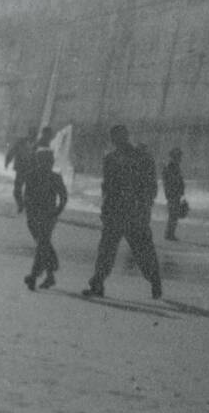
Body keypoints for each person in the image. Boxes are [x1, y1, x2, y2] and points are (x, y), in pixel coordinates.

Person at [83, 125, 162, 300]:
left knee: (136, 250)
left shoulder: (137, 158)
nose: (116, 141)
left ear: (125, 136)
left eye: (119, 137)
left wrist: (144, 207)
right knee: (110, 250)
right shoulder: (115, 159)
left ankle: (154, 281)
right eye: (115, 137)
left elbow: (150, 187)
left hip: (129, 212)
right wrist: (106, 209)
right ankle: (98, 282)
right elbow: (108, 188)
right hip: (121, 212)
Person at [15, 129, 68, 288]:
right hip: (34, 215)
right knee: (43, 244)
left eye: (48, 161)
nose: (46, 163)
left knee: (41, 245)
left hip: (47, 216)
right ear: (38, 161)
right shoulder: (32, 175)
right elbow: (25, 194)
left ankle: (33, 276)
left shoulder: (54, 177)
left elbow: (63, 197)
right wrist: (26, 207)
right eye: (43, 160)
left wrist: (57, 211)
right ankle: (51, 272)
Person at [161, 147, 186, 240]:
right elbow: (171, 181)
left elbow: (173, 180)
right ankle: (169, 234)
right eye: (179, 156)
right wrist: (175, 190)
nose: (180, 158)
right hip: (173, 193)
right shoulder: (171, 166)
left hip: (174, 193)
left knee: (173, 215)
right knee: (173, 215)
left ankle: (170, 233)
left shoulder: (173, 166)